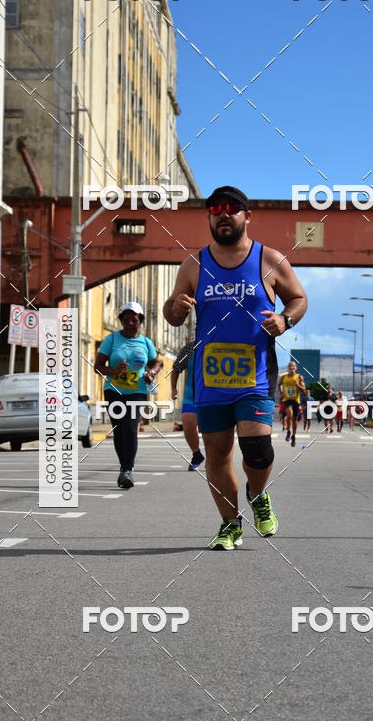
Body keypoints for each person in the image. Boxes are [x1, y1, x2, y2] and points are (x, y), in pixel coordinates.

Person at [163, 184, 307, 550]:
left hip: (255, 375)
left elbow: (299, 298)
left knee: (257, 448)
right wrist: (176, 307)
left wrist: (285, 321)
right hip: (210, 378)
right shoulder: (194, 264)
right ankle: (230, 524)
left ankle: (257, 495)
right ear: (210, 217)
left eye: (232, 208)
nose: (223, 213)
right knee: (217, 453)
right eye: (215, 209)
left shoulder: (269, 260)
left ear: (247, 216)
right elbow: (172, 314)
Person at [94, 301, 163, 488]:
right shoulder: (112, 340)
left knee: (131, 429)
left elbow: (157, 362)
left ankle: (127, 470)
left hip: (137, 392)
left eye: (135, 320)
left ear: (140, 321)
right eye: (126, 320)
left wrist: (151, 373)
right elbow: (98, 367)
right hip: (113, 391)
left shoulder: (146, 342)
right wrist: (114, 371)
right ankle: (124, 467)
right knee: (119, 430)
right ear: (121, 321)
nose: (131, 323)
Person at [171, 340, 204, 471]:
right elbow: (176, 367)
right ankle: (196, 454)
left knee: (212, 432)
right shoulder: (190, 347)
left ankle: (214, 458)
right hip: (191, 396)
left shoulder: (222, 343)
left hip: (214, 396)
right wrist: (173, 388)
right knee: (188, 425)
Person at [279, 360, 305, 447]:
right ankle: (288, 431)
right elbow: (279, 385)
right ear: (288, 368)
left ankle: (293, 436)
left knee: (294, 419)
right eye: (290, 366)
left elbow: (304, 391)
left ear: (296, 368)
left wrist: (297, 385)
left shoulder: (299, 377)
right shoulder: (284, 377)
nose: (291, 367)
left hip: (296, 401)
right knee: (289, 415)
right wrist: (281, 392)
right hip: (287, 399)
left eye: (293, 366)